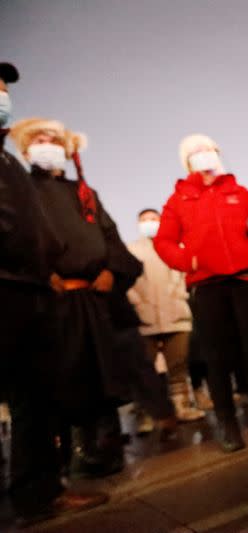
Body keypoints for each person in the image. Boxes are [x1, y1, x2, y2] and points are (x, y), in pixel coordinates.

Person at [9, 117, 172, 478]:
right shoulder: (22, 189)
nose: (46, 143)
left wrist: (112, 271)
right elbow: (18, 238)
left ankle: (105, 450)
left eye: (53, 138)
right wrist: (41, 273)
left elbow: (111, 239)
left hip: (96, 304)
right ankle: (62, 459)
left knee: (103, 377)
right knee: (62, 380)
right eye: (38, 138)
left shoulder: (85, 194)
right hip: (53, 303)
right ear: (24, 149)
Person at [0, 62, 108, 526]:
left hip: (28, 287)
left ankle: (38, 492)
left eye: (3, 88)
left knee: (34, 397)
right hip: (8, 285)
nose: (3, 94)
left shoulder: (4, 159)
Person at [154, 133, 248, 452]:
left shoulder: (238, 192)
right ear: (187, 161)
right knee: (216, 356)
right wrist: (188, 261)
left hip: (245, 281)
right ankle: (227, 422)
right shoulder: (178, 200)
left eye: (208, 149)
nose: (204, 154)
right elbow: (164, 241)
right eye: (196, 151)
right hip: (206, 286)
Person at [127, 208, 205, 424]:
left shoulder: (174, 247)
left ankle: (182, 406)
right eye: (144, 220)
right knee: (146, 368)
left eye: (153, 219)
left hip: (176, 316)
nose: (149, 223)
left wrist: (179, 295)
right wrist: (138, 302)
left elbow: (184, 274)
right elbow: (127, 281)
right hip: (145, 318)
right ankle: (150, 413)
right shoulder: (131, 250)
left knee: (178, 364)